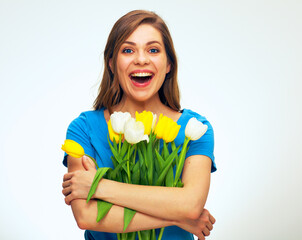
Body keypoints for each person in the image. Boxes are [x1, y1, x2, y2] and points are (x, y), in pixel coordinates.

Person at [62, 10, 217, 240]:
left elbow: (191, 205)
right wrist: (177, 216)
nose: (141, 59)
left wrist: (99, 187)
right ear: (112, 64)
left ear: (168, 65)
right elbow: (86, 216)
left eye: (153, 50)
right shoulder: (84, 128)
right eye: (128, 50)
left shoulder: (194, 129)